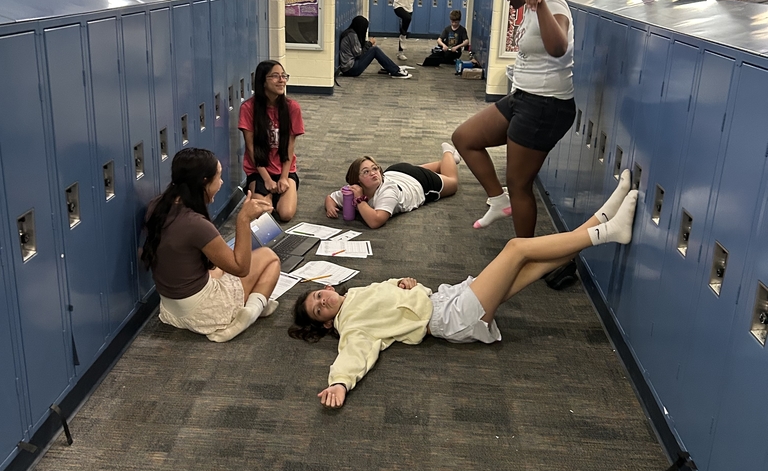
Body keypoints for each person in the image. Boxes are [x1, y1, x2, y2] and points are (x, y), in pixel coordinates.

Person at [291, 176, 638, 408]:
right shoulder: (350, 325)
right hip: (449, 319)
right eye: (319, 309)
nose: (323, 301)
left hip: (443, 298)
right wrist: (339, 384)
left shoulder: (355, 296)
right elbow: (353, 355)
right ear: (325, 324)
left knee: (536, 267)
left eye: (318, 295)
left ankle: (603, 216)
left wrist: (406, 284)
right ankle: (608, 232)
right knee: (516, 249)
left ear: (326, 287)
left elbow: (393, 298)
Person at [452, 0, 575, 236]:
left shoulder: (555, 6)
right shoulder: (531, 8)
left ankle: (523, 255)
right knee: (464, 138)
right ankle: (498, 200)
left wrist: (541, 5)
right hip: (522, 96)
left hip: (546, 105)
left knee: (520, 184)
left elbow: (558, 48)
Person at [141, 148, 280, 343]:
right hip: (202, 311)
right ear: (204, 181)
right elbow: (241, 268)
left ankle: (255, 301)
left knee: (218, 270)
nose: (221, 182)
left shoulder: (157, 205)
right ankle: (250, 312)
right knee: (269, 257)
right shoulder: (196, 224)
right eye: (219, 177)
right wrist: (243, 219)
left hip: (170, 308)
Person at [324, 143, 460, 228]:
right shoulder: (353, 190)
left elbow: (375, 221)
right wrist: (330, 207)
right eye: (366, 172)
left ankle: (448, 152)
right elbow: (331, 197)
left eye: (375, 168)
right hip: (396, 172)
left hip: (418, 182)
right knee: (435, 167)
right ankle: (448, 161)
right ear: (357, 181)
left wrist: (360, 200)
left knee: (452, 182)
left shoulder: (388, 191)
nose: (373, 173)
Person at [238, 60, 305, 222]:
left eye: (283, 76)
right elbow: (251, 147)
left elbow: (290, 147)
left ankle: (278, 195)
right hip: (259, 171)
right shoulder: (248, 108)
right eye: (275, 76)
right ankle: (264, 193)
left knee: (286, 214)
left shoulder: (292, 107)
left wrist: (283, 177)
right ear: (262, 81)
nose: (281, 80)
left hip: (284, 169)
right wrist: (267, 180)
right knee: (262, 216)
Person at [338, 16, 412, 79]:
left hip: (350, 67)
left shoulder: (351, 33)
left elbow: (359, 48)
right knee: (374, 50)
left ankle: (389, 67)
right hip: (351, 69)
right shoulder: (352, 35)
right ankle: (395, 71)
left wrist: (368, 44)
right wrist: (369, 44)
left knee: (373, 49)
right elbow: (358, 53)